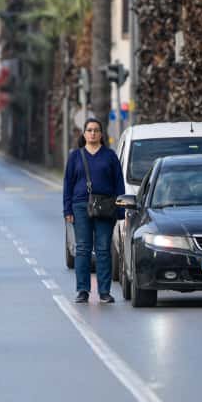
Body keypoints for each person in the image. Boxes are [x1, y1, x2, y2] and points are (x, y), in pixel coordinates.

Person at [62, 117, 125, 304]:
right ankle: (83, 290)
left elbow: (119, 184)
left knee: (103, 249)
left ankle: (104, 291)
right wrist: (67, 210)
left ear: (101, 134)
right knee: (82, 248)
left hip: (105, 206)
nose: (92, 133)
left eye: (96, 130)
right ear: (84, 134)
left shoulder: (110, 156)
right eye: (89, 130)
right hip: (80, 206)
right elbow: (68, 184)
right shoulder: (75, 156)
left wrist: (120, 210)